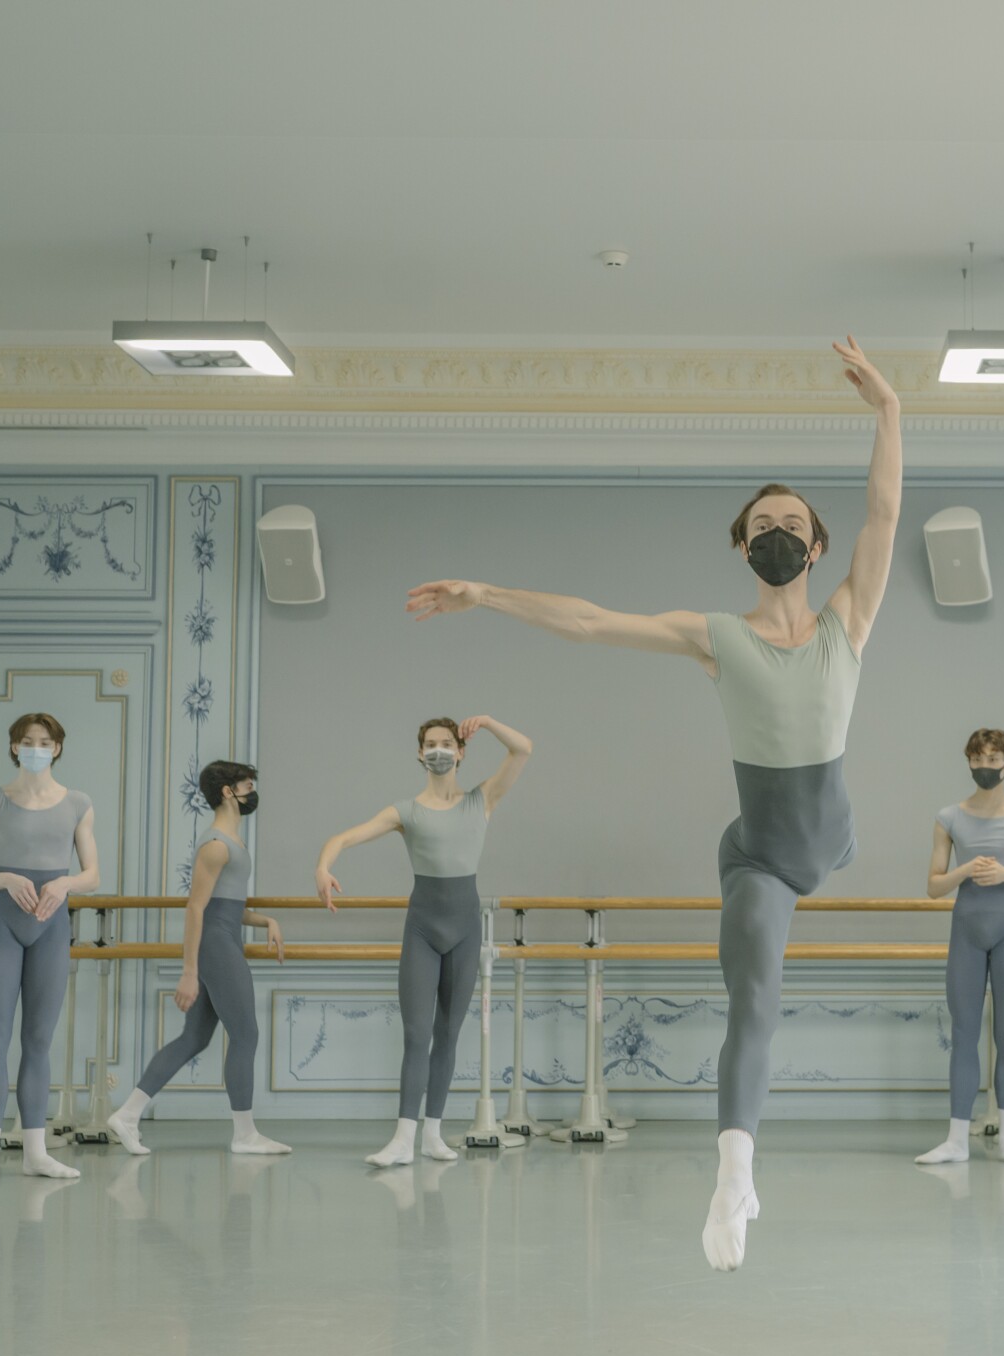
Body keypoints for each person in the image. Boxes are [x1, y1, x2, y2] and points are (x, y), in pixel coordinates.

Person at [406, 337, 901, 1270]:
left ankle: (737, 1170)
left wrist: (890, 411)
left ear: (817, 543)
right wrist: (486, 593)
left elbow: (883, 511)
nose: (780, 532)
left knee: (806, 889)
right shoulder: (715, 636)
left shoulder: (848, 621)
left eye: (794, 520)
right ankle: (734, 1174)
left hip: (830, 838)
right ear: (742, 545)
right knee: (754, 997)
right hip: (757, 853)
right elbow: (592, 621)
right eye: (763, 523)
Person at [315, 716, 532, 1166]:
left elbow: (523, 749)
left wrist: (487, 723)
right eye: (430, 744)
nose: (438, 751)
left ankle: (433, 1134)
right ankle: (401, 1139)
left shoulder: (482, 800)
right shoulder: (405, 812)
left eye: (446, 744)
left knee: (447, 1034)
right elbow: (343, 837)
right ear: (419, 754)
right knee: (416, 1034)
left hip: (465, 930)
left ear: (460, 751)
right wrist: (323, 866)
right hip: (422, 931)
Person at [106, 761, 290, 1155]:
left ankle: (126, 1115)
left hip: (224, 937)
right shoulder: (216, 845)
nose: (252, 789)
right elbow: (196, 908)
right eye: (247, 783)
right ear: (228, 792)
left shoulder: (231, 843)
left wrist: (265, 920)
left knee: (194, 1037)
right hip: (216, 946)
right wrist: (189, 971)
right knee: (246, 1034)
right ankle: (244, 1135)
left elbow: (229, 905)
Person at [0, 712, 98, 1183]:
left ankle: (36, 1153)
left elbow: (93, 874)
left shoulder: (78, 803)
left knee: (38, 1041)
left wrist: (67, 883)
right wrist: (6, 877)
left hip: (51, 927)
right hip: (3, 926)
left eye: (45, 740)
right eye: (26, 740)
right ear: (14, 747)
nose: (35, 746)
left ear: (57, 747)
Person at [918, 729, 1004, 1167]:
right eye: (977, 759)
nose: (985, 767)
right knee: (963, 1035)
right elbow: (935, 887)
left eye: (993, 760)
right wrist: (965, 871)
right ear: (969, 762)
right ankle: (956, 1140)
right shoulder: (949, 817)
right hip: (967, 932)